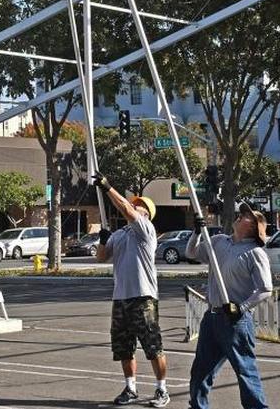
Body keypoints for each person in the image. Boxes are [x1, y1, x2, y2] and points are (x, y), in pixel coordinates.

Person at [184, 203, 273, 409]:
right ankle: (198, 406)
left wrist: (240, 308)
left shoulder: (255, 253)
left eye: (246, 216)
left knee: (245, 370)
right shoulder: (217, 242)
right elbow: (191, 253)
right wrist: (197, 233)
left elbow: (265, 289)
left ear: (253, 227)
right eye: (241, 213)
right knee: (201, 370)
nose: (240, 216)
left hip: (235, 322)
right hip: (212, 317)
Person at [94, 173, 170, 407]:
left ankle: (162, 390)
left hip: (143, 296)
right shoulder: (121, 234)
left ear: (145, 213)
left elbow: (125, 208)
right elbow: (102, 258)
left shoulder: (145, 229)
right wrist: (103, 241)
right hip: (121, 298)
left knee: (153, 346)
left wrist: (108, 187)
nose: (133, 206)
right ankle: (131, 388)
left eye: (138, 206)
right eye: (134, 203)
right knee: (123, 347)